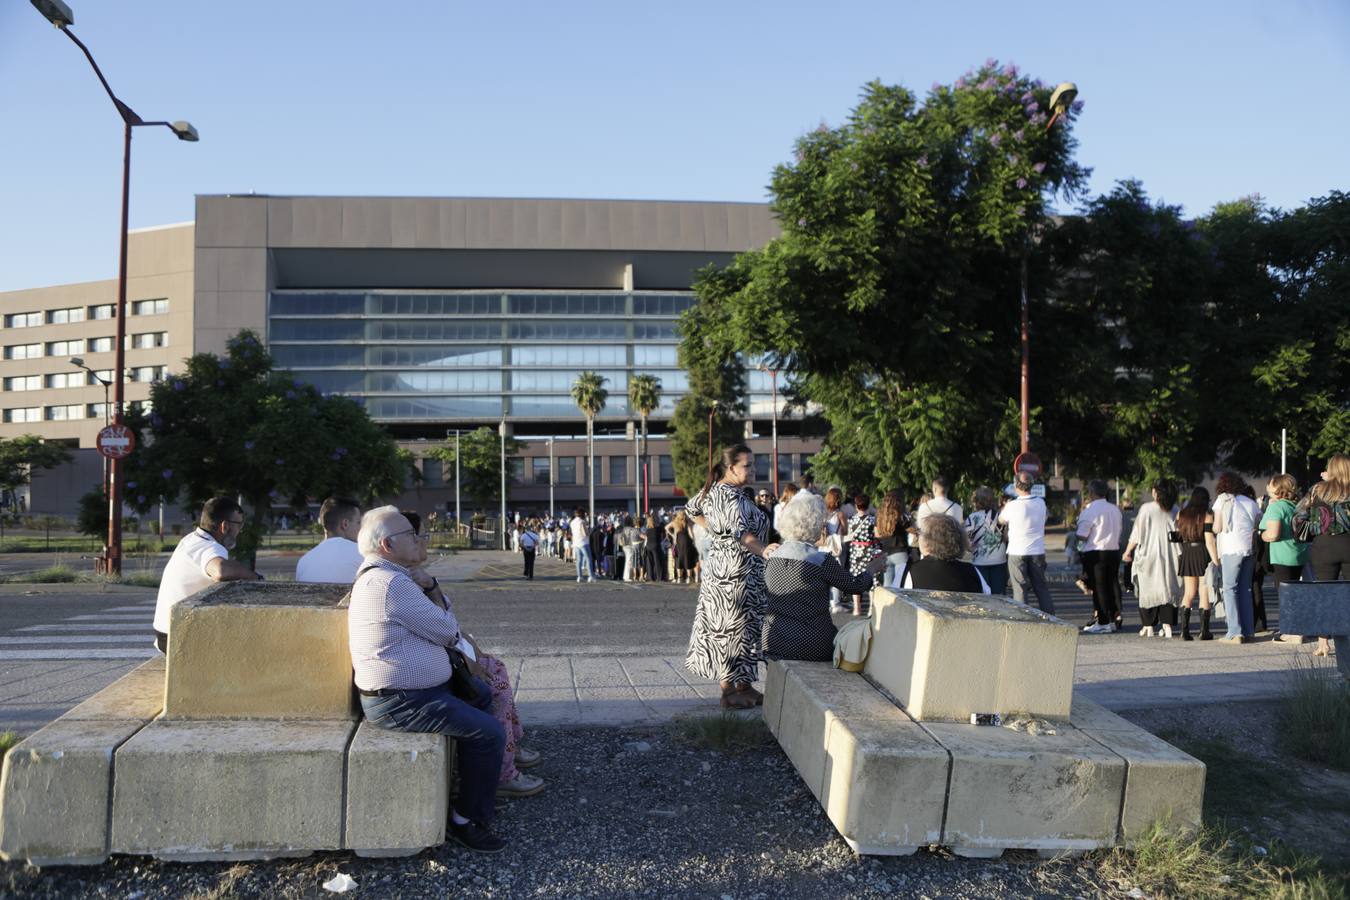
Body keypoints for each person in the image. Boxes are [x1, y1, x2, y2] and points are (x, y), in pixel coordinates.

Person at [348, 506, 507, 853]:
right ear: (388, 545)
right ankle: (466, 819)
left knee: (480, 696)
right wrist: (434, 591)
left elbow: (440, 622)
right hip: (401, 700)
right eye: (412, 534)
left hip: (410, 692)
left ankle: (469, 788)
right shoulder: (391, 584)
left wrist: (432, 590)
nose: (420, 539)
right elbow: (449, 629)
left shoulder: (389, 577)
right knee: (489, 732)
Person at [686, 444, 777, 710]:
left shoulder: (721, 492)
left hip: (740, 574)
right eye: (747, 465)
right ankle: (728, 691)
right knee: (730, 631)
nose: (752, 470)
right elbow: (741, 534)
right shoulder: (726, 496)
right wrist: (763, 549)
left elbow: (692, 508)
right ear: (731, 468)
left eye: (752, 464)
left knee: (746, 630)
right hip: (733, 577)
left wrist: (715, 531)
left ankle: (744, 686)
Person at [764, 492, 881, 660]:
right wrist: (871, 569)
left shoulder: (771, 556)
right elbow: (855, 586)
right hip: (812, 642)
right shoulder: (820, 560)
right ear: (815, 523)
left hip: (774, 640)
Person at [153, 497, 263, 652]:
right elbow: (220, 571)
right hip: (179, 638)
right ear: (225, 526)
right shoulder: (209, 546)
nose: (240, 531)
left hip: (166, 632)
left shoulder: (191, 539)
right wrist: (256, 577)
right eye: (239, 525)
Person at [1293, 455, 1350, 656]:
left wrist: (1318, 527)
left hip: (1323, 545)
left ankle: (1323, 643)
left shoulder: (1318, 490)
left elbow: (1298, 515)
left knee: (1325, 593)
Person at [1121, 481, 1182, 637]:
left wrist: (1128, 552)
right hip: (1171, 554)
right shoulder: (1175, 509)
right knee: (1168, 587)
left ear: (1157, 493)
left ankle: (1148, 625)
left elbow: (1137, 533)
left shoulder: (1147, 509)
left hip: (1149, 553)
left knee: (1147, 588)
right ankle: (1167, 624)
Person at [1212, 472, 1261, 644]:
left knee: (1229, 589)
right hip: (1249, 549)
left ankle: (1234, 632)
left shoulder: (1221, 500)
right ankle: (1248, 631)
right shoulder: (1250, 502)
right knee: (1245, 590)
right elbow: (1258, 522)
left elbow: (1217, 528)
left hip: (1231, 549)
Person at [999, 475, 1055, 614]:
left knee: (1019, 589)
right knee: (1041, 588)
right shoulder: (1041, 503)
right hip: (1037, 551)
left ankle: (1023, 619)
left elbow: (1001, 520)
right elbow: (1046, 517)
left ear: (1016, 486)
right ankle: (1051, 617)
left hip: (1017, 551)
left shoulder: (1012, 505)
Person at [892, 515, 991, 593]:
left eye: (920, 533)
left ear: (928, 540)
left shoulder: (908, 570)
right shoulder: (973, 571)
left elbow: (897, 600)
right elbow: (986, 596)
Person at [1077, 480, 1124, 634]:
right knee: (1111, 585)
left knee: (1099, 588)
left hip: (1096, 552)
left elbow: (1082, 535)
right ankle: (1111, 618)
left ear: (1091, 493)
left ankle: (1103, 621)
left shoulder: (1090, 510)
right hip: (1113, 551)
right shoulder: (1115, 509)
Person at [1176, 487, 1216, 641]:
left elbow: (1179, 535)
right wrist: (1216, 560)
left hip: (1187, 552)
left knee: (1189, 593)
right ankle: (1204, 631)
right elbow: (1209, 541)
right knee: (1204, 591)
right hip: (1202, 553)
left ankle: (1184, 631)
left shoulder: (1182, 514)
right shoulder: (1207, 516)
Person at [296, 497, 365, 584]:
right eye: (358, 522)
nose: (361, 528)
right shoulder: (362, 554)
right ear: (345, 524)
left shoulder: (303, 561)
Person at [965, 487, 1008, 594]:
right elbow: (1006, 537)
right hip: (999, 560)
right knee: (999, 594)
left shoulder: (972, 517)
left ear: (976, 502)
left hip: (980, 561)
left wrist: (970, 549)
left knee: (983, 594)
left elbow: (965, 538)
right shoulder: (1000, 517)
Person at [846, 494, 882, 617]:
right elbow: (877, 535)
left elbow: (849, 535)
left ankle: (857, 608)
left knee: (856, 578)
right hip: (869, 551)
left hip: (856, 552)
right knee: (873, 579)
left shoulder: (851, 520)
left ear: (856, 506)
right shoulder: (872, 520)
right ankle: (872, 608)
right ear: (868, 505)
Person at [874, 490, 911, 588]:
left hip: (885, 553)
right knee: (900, 585)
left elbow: (877, 534)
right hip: (900, 552)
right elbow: (912, 529)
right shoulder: (901, 515)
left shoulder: (879, 515)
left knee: (887, 585)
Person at [670, 510, 698, 584]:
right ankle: (689, 578)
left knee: (679, 560)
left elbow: (674, 534)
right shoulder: (687, 524)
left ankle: (679, 578)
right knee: (688, 560)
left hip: (679, 544)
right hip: (687, 544)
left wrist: (674, 541)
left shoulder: (676, 524)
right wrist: (694, 541)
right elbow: (691, 534)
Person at [569, 508, 593, 583]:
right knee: (588, 559)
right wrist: (589, 532)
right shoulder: (582, 522)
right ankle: (591, 576)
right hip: (583, 542)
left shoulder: (572, 522)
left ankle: (579, 577)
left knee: (578, 560)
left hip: (576, 543)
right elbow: (585, 533)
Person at [643, 514, 667, 583]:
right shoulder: (658, 528)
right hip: (656, 546)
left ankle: (650, 577)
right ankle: (659, 577)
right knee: (657, 562)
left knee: (650, 562)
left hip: (648, 546)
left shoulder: (647, 530)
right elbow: (664, 531)